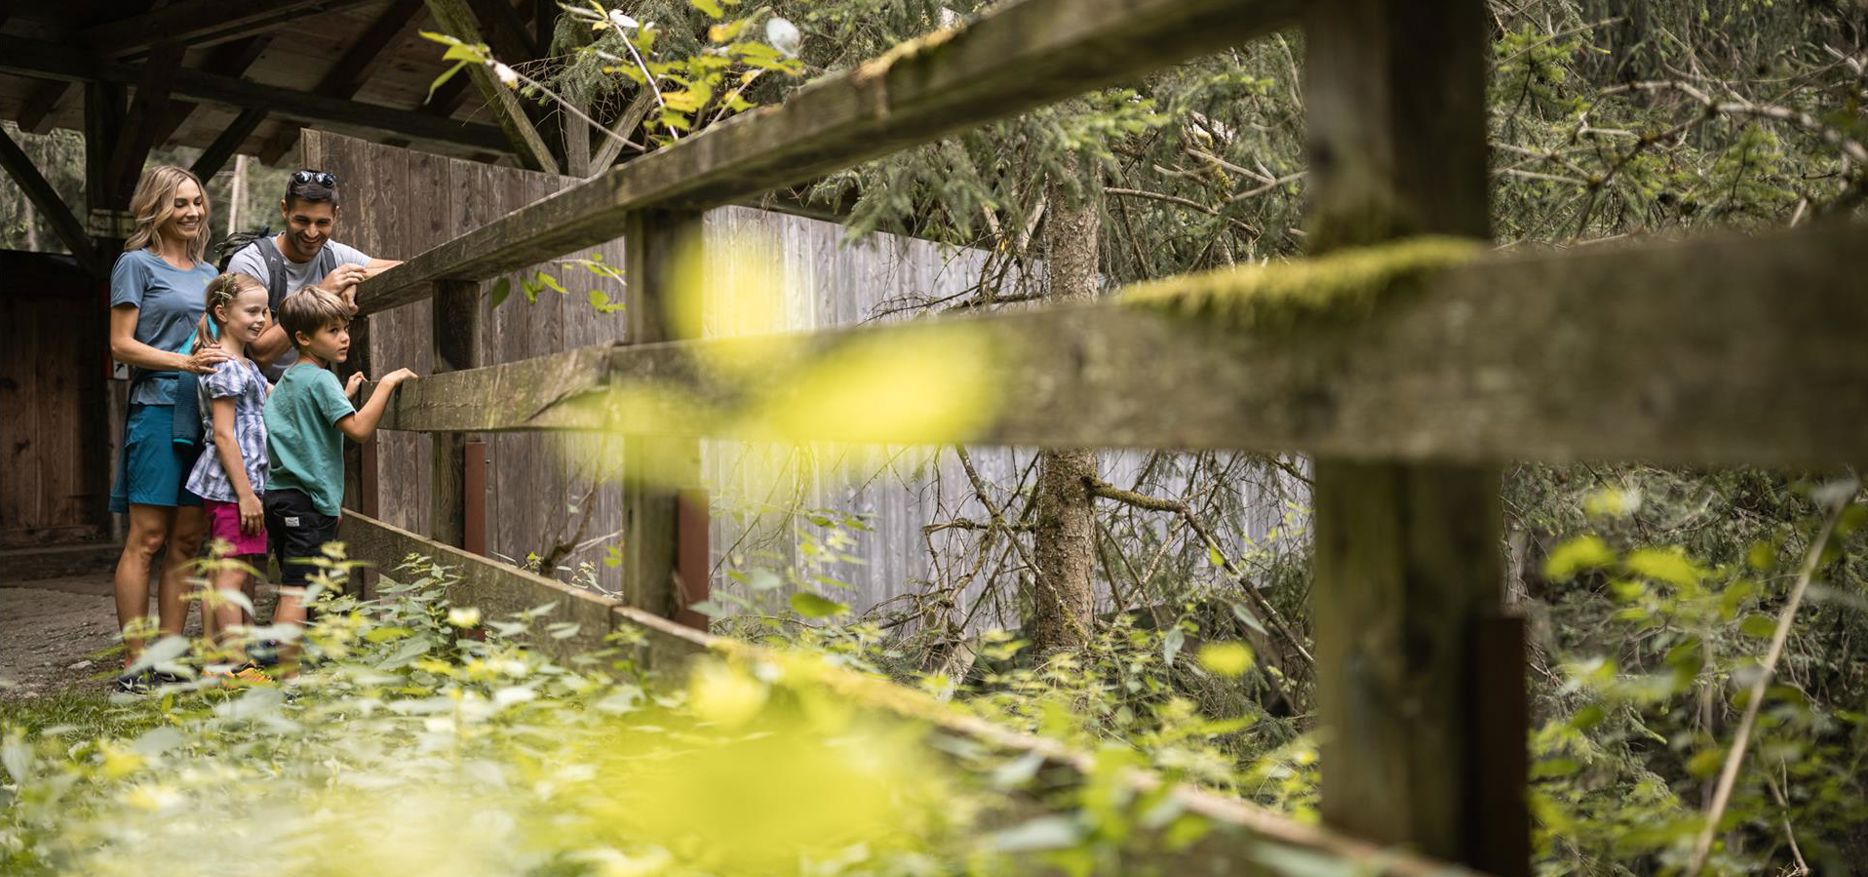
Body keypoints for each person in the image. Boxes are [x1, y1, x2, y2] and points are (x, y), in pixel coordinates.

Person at [107, 165, 229, 691]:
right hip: (156, 409)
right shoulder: (135, 264)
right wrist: (185, 363)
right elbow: (121, 344)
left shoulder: (210, 274)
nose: (192, 211)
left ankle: (170, 660)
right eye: (180, 202)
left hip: (202, 415)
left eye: (197, 201)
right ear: (155, 207)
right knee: (148, 538)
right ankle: (135, 665)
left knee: (187, 540)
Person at [263, 289, 417, 671]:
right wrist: (387, 383)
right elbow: (359, 430)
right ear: (303, 337)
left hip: (281, 497)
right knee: (297, 590)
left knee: (292, 583)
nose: (344, 337)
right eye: (332, 331)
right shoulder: (321, 380)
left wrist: (344, 394)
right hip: (306, 502)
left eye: (344, 328)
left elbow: (306, 423)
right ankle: (289, 679)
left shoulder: (289, 380)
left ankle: (283, 664)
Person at [181, 273, 275, 680]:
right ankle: (238, 666)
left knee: (225, 570)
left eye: (265, 311)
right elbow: (223, 434)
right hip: (234, 487)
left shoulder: (245, 366)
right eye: (252, 311)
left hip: (234, 486)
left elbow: (277, 398)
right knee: (230, 574)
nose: (261, 319)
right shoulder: (227, 368)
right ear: (222, 312)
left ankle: (215, 665)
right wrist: (246, 495)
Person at [225, 170, 401, 380]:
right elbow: (261, 353)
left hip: (315, 384)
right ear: (284, 209)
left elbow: (403, 268)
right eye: (302, 220)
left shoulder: (333, 254)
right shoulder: (252, 263)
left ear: (335, 216)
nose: (311, 232)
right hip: (262, 391)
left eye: (322, 223)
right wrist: (320, 294)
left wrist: (355, 278)